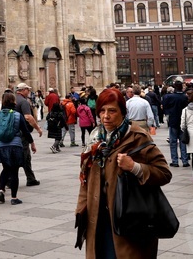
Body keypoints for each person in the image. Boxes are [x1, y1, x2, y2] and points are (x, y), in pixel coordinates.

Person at [76, 87, 172, 259]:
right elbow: (86, 178)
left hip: (129, 219)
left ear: (123, 112)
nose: (106, 116)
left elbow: (164, 173)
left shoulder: (137, 137)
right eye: (102, 111)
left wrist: (134, 166)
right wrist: (81, 208)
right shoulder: (95, 137)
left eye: (112, 111)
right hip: (98, 218)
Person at [0, 91, 26, 205]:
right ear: (12, 102)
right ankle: (14, 197)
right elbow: (25, 131)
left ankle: (1, 190)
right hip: (15, 145)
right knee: (14, 171)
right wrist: (32, 142)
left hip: (1, 145)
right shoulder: (17, 115)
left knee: (6, 169)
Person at [14, 83, 42, 185]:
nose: (29, 92)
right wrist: (38, 128)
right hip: (22, 133)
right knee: (24, 156)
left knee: (21, 156)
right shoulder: (23, 102)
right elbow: (28, 117)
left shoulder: (13, 99)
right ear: (23, 90)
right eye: (28, 90)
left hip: (13, 132)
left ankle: (29, 178)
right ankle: (28, 178)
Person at [161, 80, 189, 167]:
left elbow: (164, 106)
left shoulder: (169, 97)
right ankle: (185, 160)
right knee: (183, 141)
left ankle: (175, 160)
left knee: (173, 142)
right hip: (183, 120)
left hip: (173, 120)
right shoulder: (185, 97)